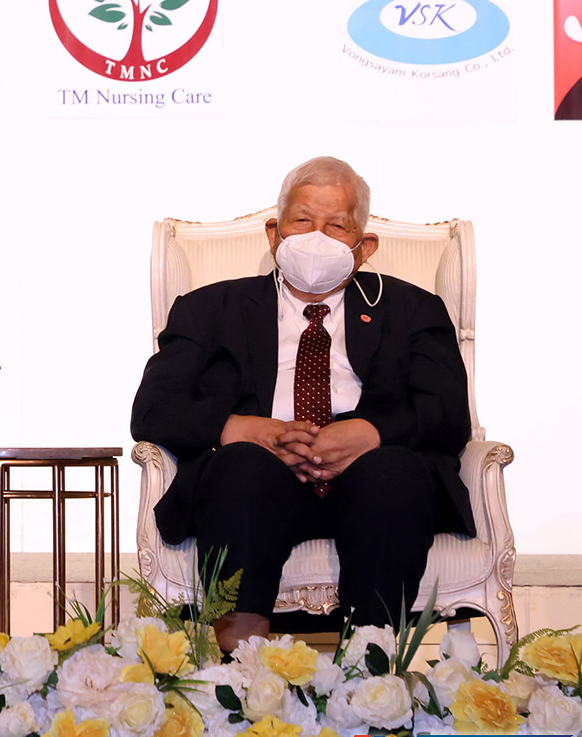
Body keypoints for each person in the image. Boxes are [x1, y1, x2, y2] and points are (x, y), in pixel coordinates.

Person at [130, 156, 471, 652]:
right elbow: (152, 409)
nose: (317, 238)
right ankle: (242, 664)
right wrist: (243, 429)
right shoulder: (210, 308)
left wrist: (371, 433)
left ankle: (370, 662)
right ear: (274, 234)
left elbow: (449, 412)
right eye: (302, 220)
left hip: (371, 479)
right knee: (240, 467)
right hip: (258, 481)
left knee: (394, 472)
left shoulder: (413, 309)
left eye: (337, 226)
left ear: (364, 247)